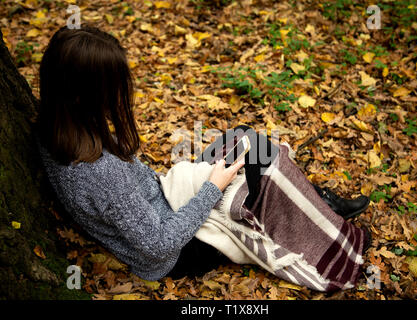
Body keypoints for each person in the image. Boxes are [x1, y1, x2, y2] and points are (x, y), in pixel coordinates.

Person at [37, 26, 370, 283]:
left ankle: (313, 202)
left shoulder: (56, 128)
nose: (119, 96)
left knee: (243, 139)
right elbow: (159, 245)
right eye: (112, 88)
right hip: (178, 253)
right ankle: (331, 234)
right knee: (259, 167)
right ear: (83, 96)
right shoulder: (98, 171)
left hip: (165, 199)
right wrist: (213, 188)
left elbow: (128, 199)